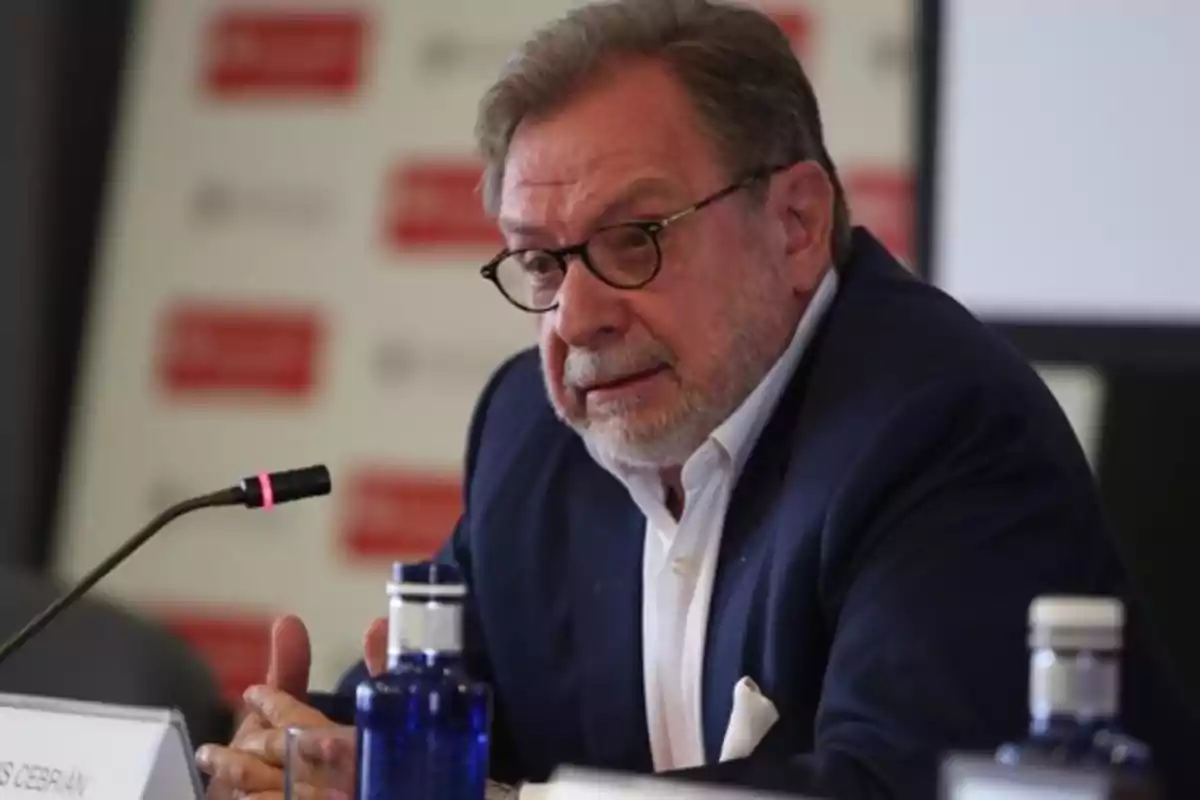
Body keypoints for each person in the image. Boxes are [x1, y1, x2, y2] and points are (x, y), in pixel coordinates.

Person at [194, 1, 1191, 798]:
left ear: (797, 223)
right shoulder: (528, 431)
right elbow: (453, 723)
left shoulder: (937, 426)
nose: (575, 317)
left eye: (635, 238)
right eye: (541, 262)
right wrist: (311, 748)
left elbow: (891, 784)